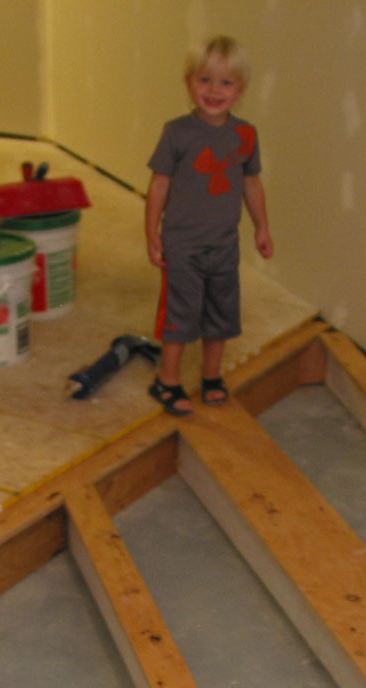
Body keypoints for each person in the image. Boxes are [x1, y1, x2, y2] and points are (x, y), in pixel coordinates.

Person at [144, 35, 273, 415]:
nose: (214, 90)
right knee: (181, 313)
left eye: (226, 82)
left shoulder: (245, 135)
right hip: (181, 244)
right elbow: (159, 184)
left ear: (240, 90)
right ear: (188, 84)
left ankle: (211, 375)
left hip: (223, 243)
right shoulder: (176, 132)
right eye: (205, 80)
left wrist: (261, 227)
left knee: (221, 312)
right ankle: (166, 379)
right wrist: (151, 233)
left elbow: (251, 181)